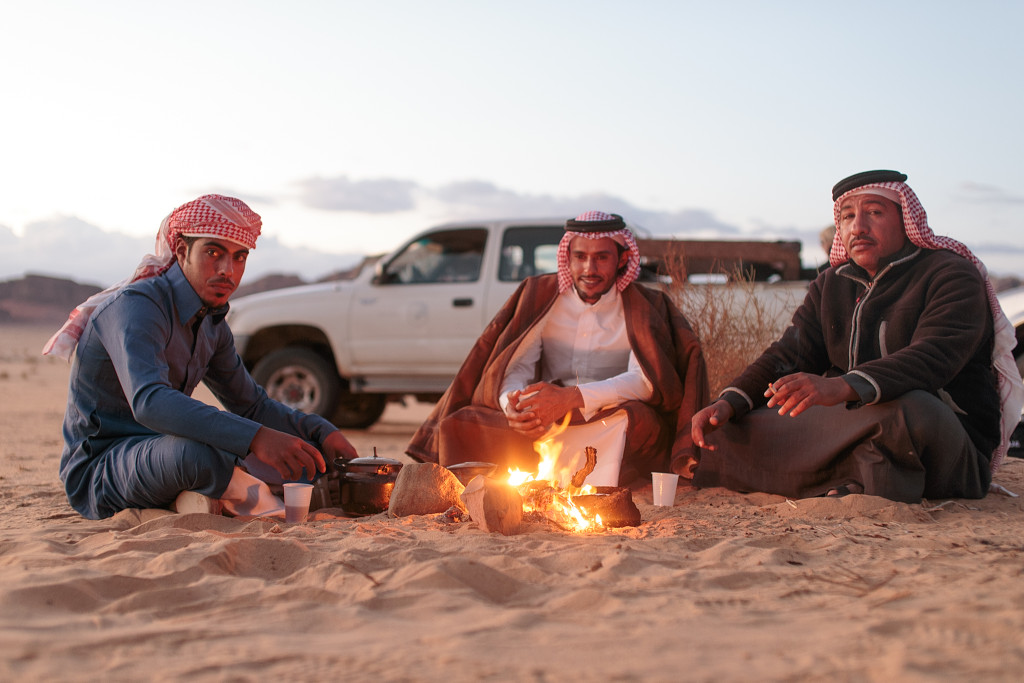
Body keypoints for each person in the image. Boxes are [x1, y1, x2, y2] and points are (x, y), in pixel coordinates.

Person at [691, 170, 1024, 503]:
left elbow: (933, 356)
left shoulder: (950, 275)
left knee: (909, 410)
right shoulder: (830, 284)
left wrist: (841, 386)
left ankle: (845, 475)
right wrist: (729, 401)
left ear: (906, 220)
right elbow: (787, 355)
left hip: (943, 437)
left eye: (875, 212)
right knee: (732, 429)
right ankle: (853, 477)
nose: (858, 226)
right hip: (852, 424)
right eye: (848, 216)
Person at [44, 194, 357, 520]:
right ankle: (268, 507)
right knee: (203, 452)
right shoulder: (138, 306)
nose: (228, 270)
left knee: (281, 448)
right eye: (213, 253)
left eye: (239, 257)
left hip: (162, 454)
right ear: (181, 251)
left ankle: (205, 499)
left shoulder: (211, 322)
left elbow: (252, 405)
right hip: (103, 468)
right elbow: (150, 401)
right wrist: (256, 437)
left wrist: (322, 432)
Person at [406, 211, 709, 488]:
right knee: (464, 422)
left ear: (622, 258)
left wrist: (572, 399)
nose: (589, 268)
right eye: (580, 257)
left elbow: (644, 381)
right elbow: (515, 366)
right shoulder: (539, 296)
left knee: (634, 420)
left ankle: (596, 479)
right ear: (567, 257)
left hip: (608, 415)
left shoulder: (644, 306)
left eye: (601, 257)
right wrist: (512, 403)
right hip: (544, 419)